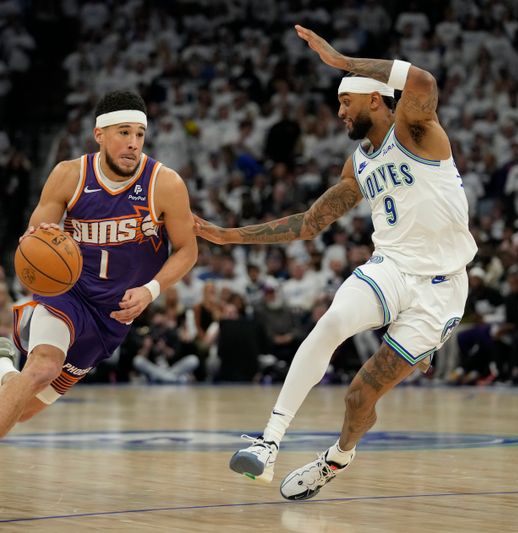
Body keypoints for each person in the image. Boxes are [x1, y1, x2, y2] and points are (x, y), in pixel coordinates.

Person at [195, 25, 477, 501]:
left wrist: (342, 60)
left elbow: (423, 81)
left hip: (441, 287)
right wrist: (228, 236)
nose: (340, 112)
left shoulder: (418, 131)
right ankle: (268, 441)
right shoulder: (358, 164)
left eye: (346, 102)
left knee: (359, 397)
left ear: (374, 100)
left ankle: (339, 457)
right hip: (389, 267)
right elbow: (310, 223)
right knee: (332, 323)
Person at [0, 90, 198, 512]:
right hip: (65, 292)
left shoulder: (165, 183)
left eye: (140, 134)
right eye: (124, 132)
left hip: (114, 315)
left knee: (28, 406)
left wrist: (151, 290)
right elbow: (39, 228)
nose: (133, 142)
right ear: (99, 134)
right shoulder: (69, 175)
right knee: (42, 367)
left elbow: (187, 251)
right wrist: (34, 239)